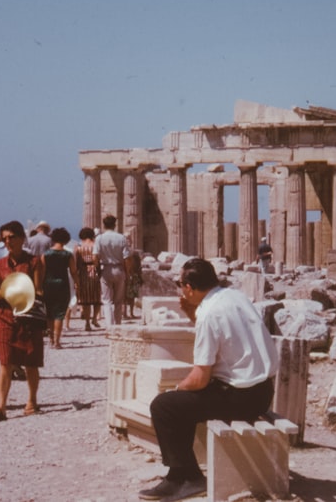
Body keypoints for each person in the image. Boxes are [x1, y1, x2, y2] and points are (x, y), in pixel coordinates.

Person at [141, 257, 279, 502]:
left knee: (164, 406)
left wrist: (176, 389)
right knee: (180, 402)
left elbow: (200, 379)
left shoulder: (209, 314)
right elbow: (222, 338)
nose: (179, 289)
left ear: (189, 288)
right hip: (264, 390)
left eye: (180, 284)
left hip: (241, 397)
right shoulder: (234, 297)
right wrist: (191, 312)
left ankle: (186, 477)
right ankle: (179, 474)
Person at [0, 221, 43, 420]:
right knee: (5, 362)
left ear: (21, 238)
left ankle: (32, 400)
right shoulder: (0, 264)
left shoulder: (34, 262)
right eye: (5, 238)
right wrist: (7, 291)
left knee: (31, 362)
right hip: (5, 318)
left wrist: (27, 293)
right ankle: (1, 406)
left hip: (28, 318)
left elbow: (39, 290)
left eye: (12, 237)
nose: (8, 241)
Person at [93, 215, 132, 326]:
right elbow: (127, 258)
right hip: (119, 269)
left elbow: (95, 256)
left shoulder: (99, 238)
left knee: (106, 300)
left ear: (104, 225)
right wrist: (127, 272)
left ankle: (109, 326)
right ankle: (118, 325)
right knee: (119, 301)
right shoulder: (121, 238)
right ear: (115, 225)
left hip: (105, 269)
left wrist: (97, 269)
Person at [42, 228, 77, 349]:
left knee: (50, 313)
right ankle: (57, 341)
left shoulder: (45, 254)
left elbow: (42, 271)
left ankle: (51, 339)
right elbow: (73, 271)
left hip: (48, 284)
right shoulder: (68, 255)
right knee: (59, 314)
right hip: (62, 284)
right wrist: (77, 283)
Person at [74, 228, 101, 331]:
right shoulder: (95, 245)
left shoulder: (79, 247)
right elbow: (98, 258)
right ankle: (94, 318)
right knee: (96, 297)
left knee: (86, 299)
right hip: (94, 272)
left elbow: (76, 263)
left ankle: (87, 323)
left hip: (83, 273)